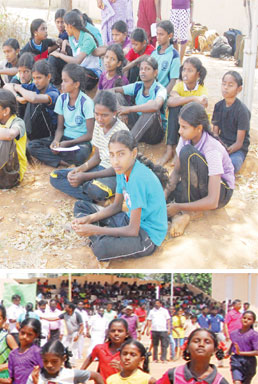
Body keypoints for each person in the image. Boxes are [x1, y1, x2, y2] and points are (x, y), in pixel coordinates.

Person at [72, 130, 167, 262]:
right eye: (112, 155)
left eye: (121, 154)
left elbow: (133, 230)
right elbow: (116, 206)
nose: (115, 161)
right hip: (130, 220)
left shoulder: (137, 179)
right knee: (80, 206)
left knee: (101, 248)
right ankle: (98, 232)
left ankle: (99, 235)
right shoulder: (122, 170)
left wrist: (95, 230)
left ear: (133, 153)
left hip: (147, 236)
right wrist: (88, 219)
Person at [164, 102, 235, 239]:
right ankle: (181, 211)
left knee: (188, 154)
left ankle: (188, 213)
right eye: (179, 126)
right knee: (165, 187)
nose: (179, 131)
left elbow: (213, 200)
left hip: (221, 192)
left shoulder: (212, 148)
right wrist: (164, 195)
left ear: (199, 128)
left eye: (184, 127)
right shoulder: (185, 138)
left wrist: (178, 206)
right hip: (198, 185)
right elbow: (176, 173)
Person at [50, 90, 129, 203]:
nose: (99, 119)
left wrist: (86, 176)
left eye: (104, 115)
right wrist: (80, 169)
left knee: (95, 189)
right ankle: (91, 194)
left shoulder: (121, 133)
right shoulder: (98, 125)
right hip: (100, 168)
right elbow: (97, 157)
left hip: (116, 174)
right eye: (96, 114)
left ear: (114, 113)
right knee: (55, 176)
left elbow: (118, 169)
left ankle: (91, 191)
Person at [28, 64, 94, 168]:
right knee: (32, 146)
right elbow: (59, 128)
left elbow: (89, 135)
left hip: (80, 142)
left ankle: (57, 158)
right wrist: (56, 141)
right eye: (62, 80)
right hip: (64, 139)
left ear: (76, 84)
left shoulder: (86, 103)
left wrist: (69, 143)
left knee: (82, 154)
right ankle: (61, 162)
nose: (62, 84)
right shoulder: (62, 99)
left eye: (65, 81)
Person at [161, 57, 208, 166]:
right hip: (180, 128)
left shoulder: (201, 89)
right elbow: (170, 101)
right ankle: (169, 149)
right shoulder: (180, 85)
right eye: (184, 69)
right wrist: (193, 98)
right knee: (174, 108)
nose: (185, 73)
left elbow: (202, 104)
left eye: (190, 70)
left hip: (193, 130)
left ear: (198, 74)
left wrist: (182, 100)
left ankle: (179, 151)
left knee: (189, 111)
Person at [114, 57, 167, 145]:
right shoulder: (138, 85)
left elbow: (155, 106)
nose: (143, 71)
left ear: (155, 73)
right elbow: (112, 90)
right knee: (117, 95)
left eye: (147, 69)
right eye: (141, 69)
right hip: (137, 127)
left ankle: (128, 144)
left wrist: (129, 109)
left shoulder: (160, 89)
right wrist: (122, 111)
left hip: (154, 133)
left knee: (150, 110)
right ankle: (128, 137)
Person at [4, 59, 59, 142]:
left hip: (49, 131)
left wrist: (19, 88)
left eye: (39, 78)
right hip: (36, 127)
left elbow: (33, 98)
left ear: (48, 77)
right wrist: (17, 97)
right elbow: (7, 86)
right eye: (34, 78)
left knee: (35, 101)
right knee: (24, 95)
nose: (36, 82)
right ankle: (14, 127)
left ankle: (23, 134)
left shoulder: (53, 93)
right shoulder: (34, 86)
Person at [0, 89, 26, 189]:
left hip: (10, 176)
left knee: (5, 140)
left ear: (6, 111)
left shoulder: (18, 122)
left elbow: (9, 135)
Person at [48, 11, 102, 92]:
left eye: (65, 26)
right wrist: (64, 44)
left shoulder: (87, 38)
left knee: (75, 71)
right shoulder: (72, 37)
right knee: (53, 58)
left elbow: (77, 61)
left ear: (70, 26)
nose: (64, 28)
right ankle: (56, 87)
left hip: (90, 74)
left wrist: (59, 55)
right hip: (78, 69)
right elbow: (76, 48)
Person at [212, 71, 250, 174]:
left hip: (236, 150)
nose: (225, 87)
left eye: (230, 85)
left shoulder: (242, 111)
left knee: (232, 165)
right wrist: (218, 147)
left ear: (239, 89)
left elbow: (239, 143)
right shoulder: (218, 106)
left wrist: (226, 151)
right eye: (224, 84)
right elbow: (215, 133)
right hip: (222, 144)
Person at [228, 310, 257, 384]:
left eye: (249, 319)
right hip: (236, 360)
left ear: (253, 322)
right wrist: (228, 353)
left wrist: (241, 353)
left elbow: (257, 351)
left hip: (249, 363)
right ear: (241, 318)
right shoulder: (234, 333)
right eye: (244, 318)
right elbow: (233, 344)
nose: (246, 320)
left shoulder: (254, 335)